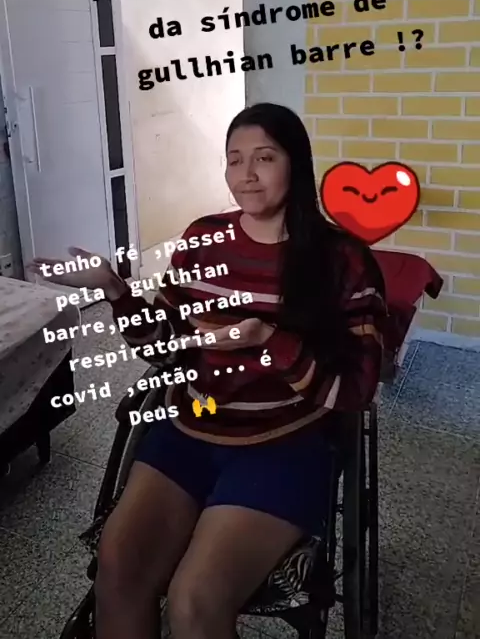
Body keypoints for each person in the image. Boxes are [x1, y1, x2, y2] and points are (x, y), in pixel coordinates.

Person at [29, 103, 387, 639]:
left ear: (297, 164)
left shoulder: (344, 260)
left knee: (195, 602)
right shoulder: (203, 239)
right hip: (189, 432)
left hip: (284, 446)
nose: (247, 174)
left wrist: (268, 339)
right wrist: (114, 289)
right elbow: (165, 349)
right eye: (234, 159)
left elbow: (356, 390)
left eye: (264, 158)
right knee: (117, 572)